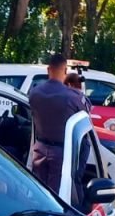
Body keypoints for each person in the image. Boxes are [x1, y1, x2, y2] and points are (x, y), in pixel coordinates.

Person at [29, 53, 88, 191]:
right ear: (65, 70)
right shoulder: (72, 96)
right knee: (57, 193)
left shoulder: (34, 93)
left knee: (39, 190)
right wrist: (76, 88)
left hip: (39, 149)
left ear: (48, 69)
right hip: (61, 152)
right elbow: (86, 113)